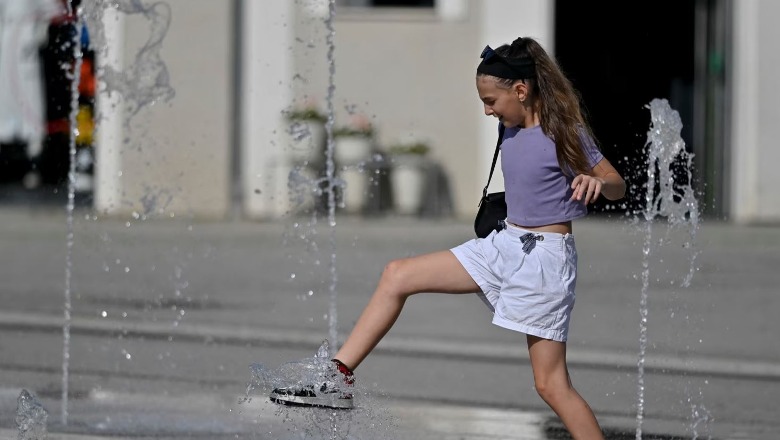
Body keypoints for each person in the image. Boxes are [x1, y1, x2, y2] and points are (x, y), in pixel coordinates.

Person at [270, 36, 626, 439]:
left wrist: (596, 183)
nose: (488, 110)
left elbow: (616, 183)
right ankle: (338, 378)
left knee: (550, 384)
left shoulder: (564, 132)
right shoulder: (509, 128)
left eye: (491, 101)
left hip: (544, 261)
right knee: (397, 274)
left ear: (521, 91)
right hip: (503, 244)